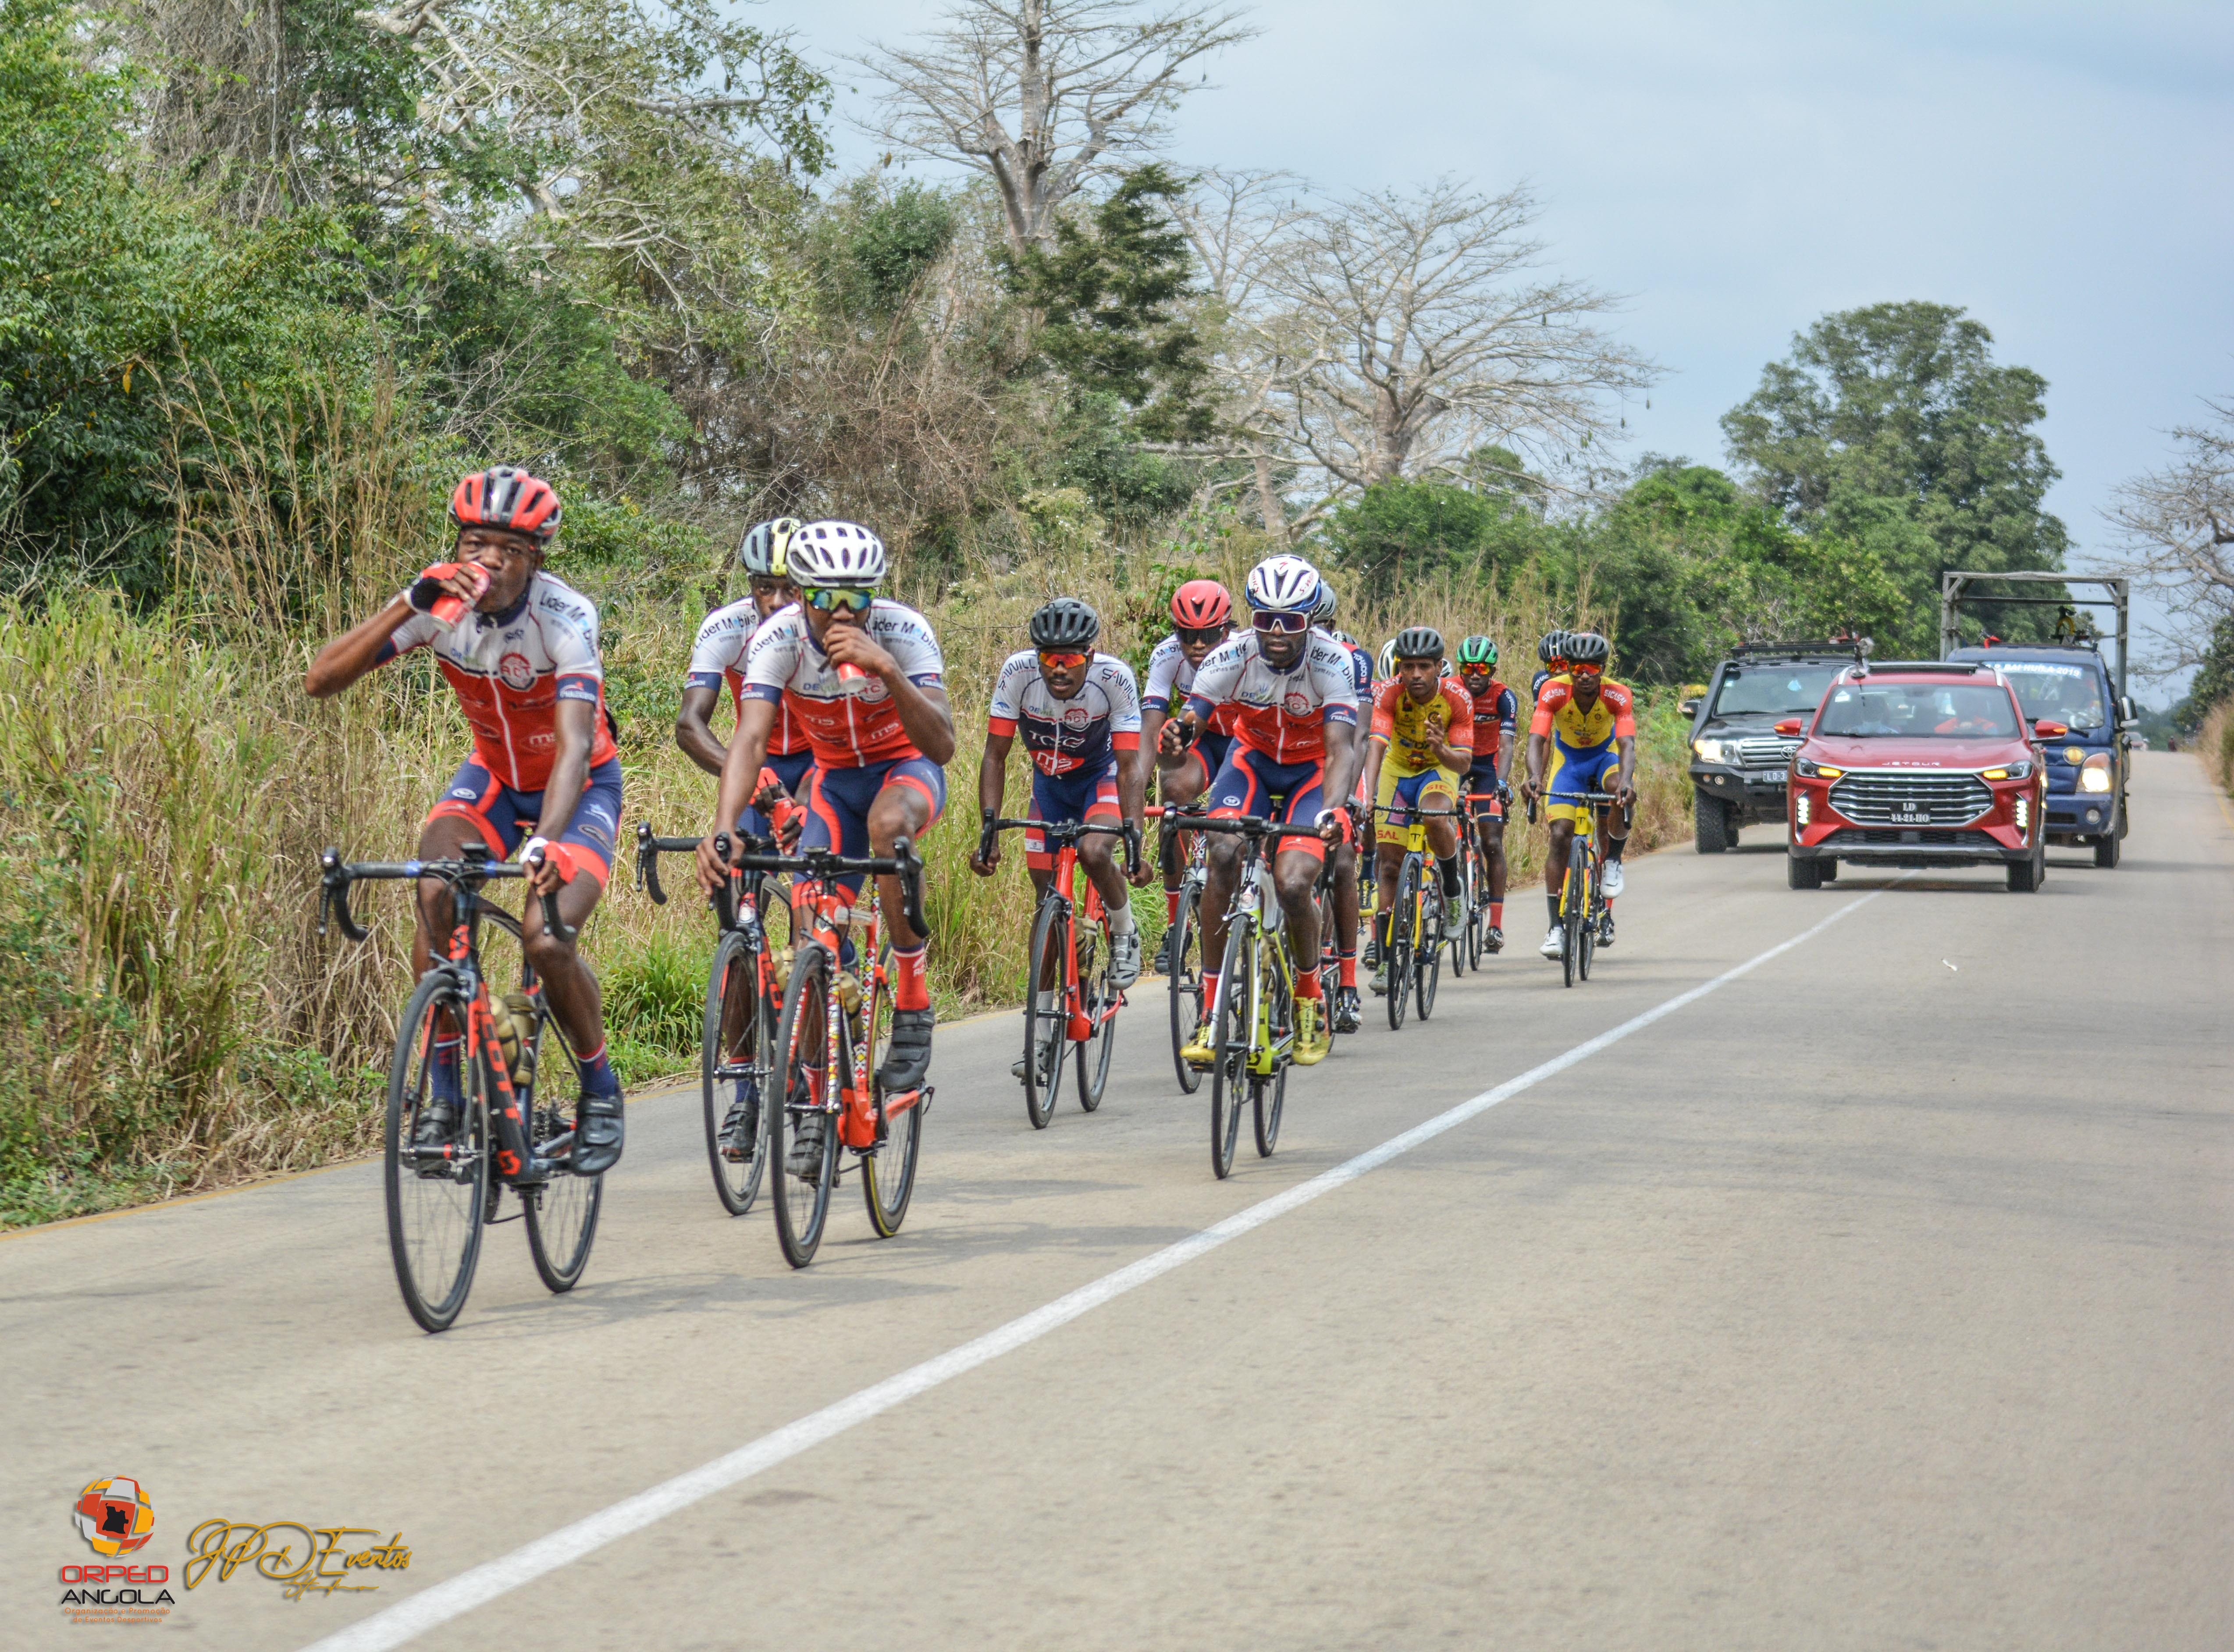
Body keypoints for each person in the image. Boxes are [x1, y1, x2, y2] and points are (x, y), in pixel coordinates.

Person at [304, 466, 630, 1176]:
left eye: (510, 550)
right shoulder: (438, 605)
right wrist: (407, 604)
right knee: (436, 890)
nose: (490, 561)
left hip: (579, 788)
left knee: (547, 940)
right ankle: (446, 1096)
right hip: (494, 781)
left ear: (535, 559)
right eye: (476, 544)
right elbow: (321, 680)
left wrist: (547, 840)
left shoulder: (564, 616)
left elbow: (577, 745)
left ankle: (601, 1089)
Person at [693, 520, 954, 1174]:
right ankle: (816, 1102)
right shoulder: (778, 638)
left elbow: (943, 744)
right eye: (825, 598)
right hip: (833, 785)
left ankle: (913, 997)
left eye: (856, 598)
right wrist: (724, 827)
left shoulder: (902, 630)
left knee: (887, 827)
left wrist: (887, 669)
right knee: (811, 940)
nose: (842, 612)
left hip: (904, 771)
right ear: (803, 594)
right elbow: (750, 741)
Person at [1160, 555, 1359, 1068]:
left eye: (1289, 621)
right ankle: (1210, 1013)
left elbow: (1341, 750)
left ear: (1309, 620)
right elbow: (1193, 719)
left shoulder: (1332, 661)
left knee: (1293, 884)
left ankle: (1309, 997)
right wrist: (1178, 736)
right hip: (1250, 763)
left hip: (1310, 772)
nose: (1276, 632)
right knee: (1222, 855)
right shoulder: (1230, 656)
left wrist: (1333, 811)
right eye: (1264, 618)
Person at [971, 599, 1153, 1083]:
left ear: (1089, 657)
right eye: (1048, 657)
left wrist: (1133, 838)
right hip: (1049, 788)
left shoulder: (1114, 678)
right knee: (1046, 901)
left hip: (1101, 780)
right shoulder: (1017, 674)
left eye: (1069, 658)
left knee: (1094, 851)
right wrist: (989, 829)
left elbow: (1131, 767)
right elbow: (994, 756)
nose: (1058, 668)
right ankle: (1040, 1038)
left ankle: (1123, 928)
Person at [677, 517, 814, 842]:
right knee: (739, 860)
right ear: (751, 583)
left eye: (791, 588)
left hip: (820, 759)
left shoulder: (829, 631)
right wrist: (748, 775)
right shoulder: (725, 627)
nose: (777, 601)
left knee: (816, 864)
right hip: (757, 758)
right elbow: (689, 725)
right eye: (766, 588)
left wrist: (814, 791)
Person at [1359, 627, 1473, 995]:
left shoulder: (1458, 698)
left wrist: (1441, 749)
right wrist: (1369, 794)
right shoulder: (1388, 693)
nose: (1416, 675)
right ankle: (1386, 959)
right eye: (1407, 667)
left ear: (1440, 666)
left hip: (1438, 769)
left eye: (1424, 666)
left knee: (1434, 817)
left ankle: (1452, 891)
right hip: (1398, 770)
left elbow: (1464, 764)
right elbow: (1377, 745)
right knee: (1390, 867)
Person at [1519, 630, 1636, 959]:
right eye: (1577, 668)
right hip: (1569, 764)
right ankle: (1556, 928)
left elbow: (1627, 743)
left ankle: (1612, 860)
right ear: (1568, 668)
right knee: (1560, 835)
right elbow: (1537, 739)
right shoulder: (1553, 690)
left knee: (1619, 790)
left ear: (1603, 669)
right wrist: (1534, 777)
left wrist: (1627, 782)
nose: (1584, 675)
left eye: (1592, 668)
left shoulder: (1618, 695)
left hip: (1604, 759)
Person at [1141, 580, 1237, 970]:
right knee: (1173, 790)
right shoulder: (1166, 656)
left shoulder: (1246, 651)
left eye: (1208, 635)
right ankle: (1175, 926)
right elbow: (1150, 731)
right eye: (1187, 634)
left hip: (1248, 741)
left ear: (1226, 630)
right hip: (1206, 738)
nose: (1197, 645)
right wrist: (1136, 792)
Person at [1312, 582, 1373, 1032]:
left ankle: (1348, 983)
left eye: (1319, 624)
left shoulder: (1353, 660)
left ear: (1332, 624)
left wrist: (1349, 798)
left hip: (1342, 761)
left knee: (1343, 857)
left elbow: (1360, 736)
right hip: (1293, 762)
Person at [1454, 634, 1517, 952]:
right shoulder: (1450, 690)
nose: (1475, 674)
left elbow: (1506, 745)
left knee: (1492, 841)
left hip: (1488, 767)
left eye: (1482, 669)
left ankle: (1495, 925)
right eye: (1469, 668)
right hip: (1456, 761)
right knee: (1439, 828)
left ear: (1493, 671)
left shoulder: (1504, 697)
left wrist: (1501, 784)